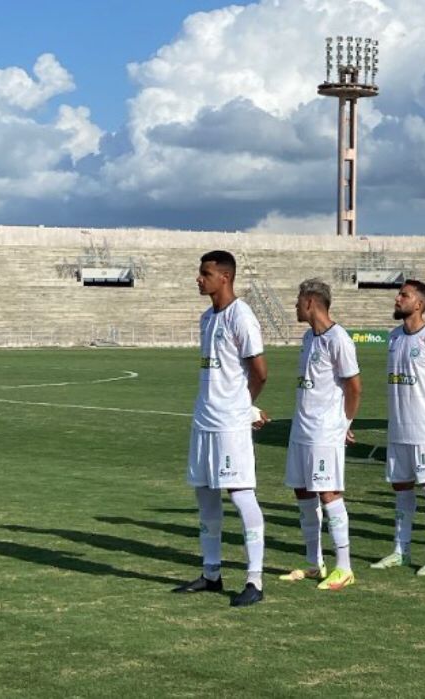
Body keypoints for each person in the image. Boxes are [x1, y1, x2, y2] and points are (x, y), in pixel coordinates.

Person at [173, 250, 270, 607]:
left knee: (241, 495)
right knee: (205, 495)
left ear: (224, 277)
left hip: (230, 424)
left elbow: (260, 371)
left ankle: (255, 580)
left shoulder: (241, 316)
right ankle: (211, 573)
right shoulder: (206, 318)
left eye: (205, 273)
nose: (199, 279)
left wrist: (244, 407)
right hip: (203, 420)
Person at [371, 280, 425, 577]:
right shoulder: (394, 337)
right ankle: (400, 549)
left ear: (418, 304)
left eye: (404, 295)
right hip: (399, 429)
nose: (398, 299)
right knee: (402, 489)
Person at [279, 279, 362, 591]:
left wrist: (345, 423)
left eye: (298, 299)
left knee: (328, 494)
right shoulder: (308, 337)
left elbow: (354, 387)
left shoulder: (338, 339)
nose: (295, 305)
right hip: (301, 429)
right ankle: (314, 564)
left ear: (311, 301)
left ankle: (344, 567)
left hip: (325, 431)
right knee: (302, 493)